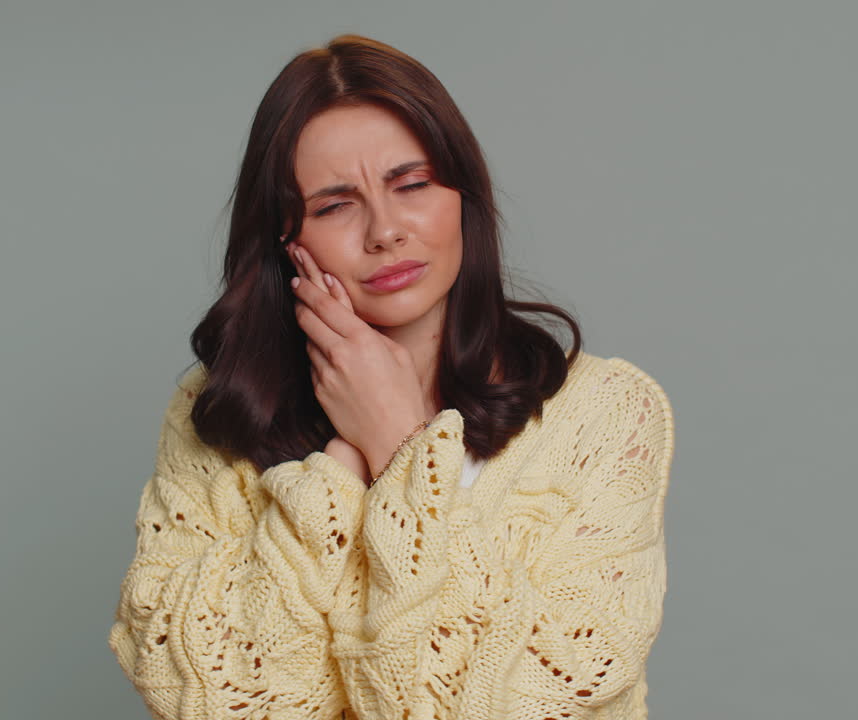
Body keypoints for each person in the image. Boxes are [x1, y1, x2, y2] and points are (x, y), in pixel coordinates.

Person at [108, 33, 675, 720]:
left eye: (412, 185)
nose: (385, 232)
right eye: (335, 205)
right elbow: (216, 701)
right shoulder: (218, 409)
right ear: (285, 240)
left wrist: (406, 445)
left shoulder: (607, 414)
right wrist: (340, 473)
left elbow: (525, 701)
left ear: (462, 195)